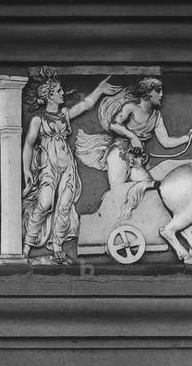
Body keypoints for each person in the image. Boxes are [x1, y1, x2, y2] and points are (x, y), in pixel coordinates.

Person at [21, 73, 122, 264]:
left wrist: (99, 90)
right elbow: (28, 144)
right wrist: (26, 169)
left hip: (67, 166)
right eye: (59, 91)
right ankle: (27, 245)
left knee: (65, 205)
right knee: (44, 203)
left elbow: (85, 105)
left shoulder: (64, 115)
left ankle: (57, 244)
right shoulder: (38, 120)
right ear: (49, 96)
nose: (63, 93)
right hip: (47, 167)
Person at [75, 76, 192, 190]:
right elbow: (114, 125)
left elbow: (166, 142)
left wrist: (188, 137)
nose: (162, 95)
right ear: (147, 92)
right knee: (117, 192)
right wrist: (133, 137)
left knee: (148, 189)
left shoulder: (156, 116)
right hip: (119, 152)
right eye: (158, 91)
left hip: (137, 158)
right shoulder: (130, 107)